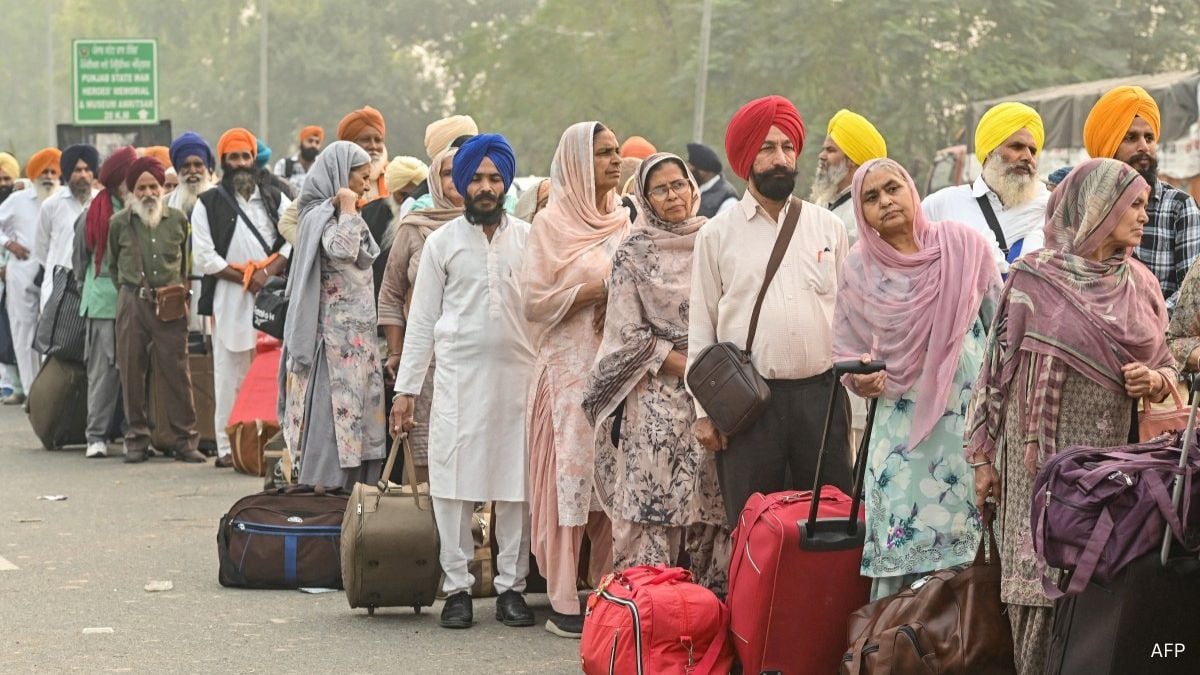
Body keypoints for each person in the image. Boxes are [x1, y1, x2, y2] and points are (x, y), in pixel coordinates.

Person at [966, 158, 1177, 673]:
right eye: (1134, 205)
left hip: (1111, 474)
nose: (1144, 216)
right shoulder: (1033, 278)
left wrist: (1154, 380)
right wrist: (982, 459)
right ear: (1098, 207)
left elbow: (1167, 365)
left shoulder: (1142, 285)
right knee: (1038, 608)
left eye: (1146, 206)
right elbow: (994, 373)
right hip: (1038, 473)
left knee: (1101, 609)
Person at [833, 158, 1001, 599]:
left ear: (911, 189)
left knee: (974, 555)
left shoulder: (964, 246)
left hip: (969, 434)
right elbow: (848, 353)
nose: (886, 201)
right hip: (902, 441)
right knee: (905, 551)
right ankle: (900, 650)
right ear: (860, 210)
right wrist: (861, 380)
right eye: (871, 197)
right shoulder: (859, 268)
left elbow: (1003, 329)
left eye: (893, 188)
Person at [688, 95, 854, 527]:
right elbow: (701, 326)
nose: (780, 158)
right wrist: (704, 413)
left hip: (822, 400)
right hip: (749, 406)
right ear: (745, 158)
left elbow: (848, 317)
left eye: (787, 147)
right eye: (766, 148)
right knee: (755, 527)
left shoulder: (829, 228)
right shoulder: (717, 235)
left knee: (830, 523)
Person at [392, 133, 536, 630]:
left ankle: (511, 588)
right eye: (476, 178)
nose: (485, 187)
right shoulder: (441, 242)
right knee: (452, 486)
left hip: (520, 381)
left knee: (516, 486)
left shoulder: (529, 239)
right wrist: (405, 390)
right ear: (459, 185)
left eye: (495, 178)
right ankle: (455, 589)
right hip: (457, 381)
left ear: (507, 183)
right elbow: (422, 320)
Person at [581, 153, 729, 593]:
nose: (673, 195)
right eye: (660, 189)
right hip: (656, 397)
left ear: (693, 186)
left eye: (679, 184)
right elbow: (629, 331)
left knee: (711, 509)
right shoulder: (634, 250)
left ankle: (707, 619)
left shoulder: (713, 239)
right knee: (652, 510)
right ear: (644, 198)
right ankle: (646, 618)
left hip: (715, 394)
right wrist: (691, 368)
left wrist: (709, 373)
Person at [522, 120, 629, 638]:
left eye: (616, 152)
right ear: (576, 163)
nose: (615, 160)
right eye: (602, 153)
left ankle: (607, 591)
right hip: (566, 374)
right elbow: (533, 301)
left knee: (612, 475)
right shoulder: (551, 224)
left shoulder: (625, 221)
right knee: (569, 478)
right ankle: (564, 598)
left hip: (613, 369)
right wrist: (593, 292)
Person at [280, 141, 386, 490]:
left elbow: (367, 253)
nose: (367, 185)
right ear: (341, 175)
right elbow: (342, 250)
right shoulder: (318, 215)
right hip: (331, 347)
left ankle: (354, 503)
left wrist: (349, 211)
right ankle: (322, 500)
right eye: (362, 177)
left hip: (357, 346)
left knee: (358, 425)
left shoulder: (343, 215)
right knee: (331, 427)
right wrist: (346, 207)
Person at [192, 127, 292, 469]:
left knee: (273, 373)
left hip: (272, 296)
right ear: (223, 162)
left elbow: (294, 237)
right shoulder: (208, 203)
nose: (240, 163)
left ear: (254, 160)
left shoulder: (276, 196)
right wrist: (246, 279)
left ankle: (276, 445)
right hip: (231, 296)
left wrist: (268, 273)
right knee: (229, 373)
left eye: (245, 157)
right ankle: (226, 446)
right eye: (233, 158)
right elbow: (205, 257)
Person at [108, 156, 205, 464]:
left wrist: (178, 295)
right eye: (141, 187)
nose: (148, 193)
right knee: (131, 370)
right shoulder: (119, 223)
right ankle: (136, 439)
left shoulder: (178, 220)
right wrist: (132, 295)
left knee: (177, 371)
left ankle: (185, 440)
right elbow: (112, 266)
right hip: (132, 302)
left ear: (162, 187)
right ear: (132, 191)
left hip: (171, 302)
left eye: (153, 186)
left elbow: (186, 263)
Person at [378, 147, 463, 483]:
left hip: (474, 358)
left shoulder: (492, 229)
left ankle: (476, 533)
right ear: (433, 181)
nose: (455, 179)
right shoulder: (414, 228)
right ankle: (430, 532)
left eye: (462, 171)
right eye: (446, 173)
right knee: (427, 450)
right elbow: (391, 293)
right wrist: (397, 352)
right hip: (425, 360)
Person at [1084, 85, 1200, 311]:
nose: (1144, 147)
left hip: (1158, 336)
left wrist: (1140, 324)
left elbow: (1191, 295)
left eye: (1149, 138)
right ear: (1108, 145)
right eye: (1131, 138)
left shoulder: (1178, 207)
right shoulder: (1085, 204)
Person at [923, 102, 1050, 274]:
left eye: (1033, 151)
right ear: (990, 152)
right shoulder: (943, 204)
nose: (1028, 157)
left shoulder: (1049, 208)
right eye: (1017, 147)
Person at [76, 146, 138, 458]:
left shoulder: (140, 207)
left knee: (134, 371)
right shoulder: (93, 214)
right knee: (103, 373)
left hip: (135, 302)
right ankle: (96, 437)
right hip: (101, 303)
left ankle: (134, 434)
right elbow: (80, 260)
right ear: (118, 180)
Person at [277, 107, 390, 246]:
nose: (373, 146)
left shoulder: (394, 179)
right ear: (349, 145)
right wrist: (318, 252)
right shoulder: (329, 181)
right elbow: (287, 222)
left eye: (378, 140)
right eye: (366, 139)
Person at [0, 147, 61, 402]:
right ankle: (30, 392)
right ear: (33, 175)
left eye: (52, 171)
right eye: (43, 171)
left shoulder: (64, 199)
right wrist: (7, 243)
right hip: (22, 272)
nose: (47, 176)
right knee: (23, 331)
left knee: (54, 332)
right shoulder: (18, 200)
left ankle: (52, 392)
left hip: (55, 273)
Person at [810, 109, 887, 244]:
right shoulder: (823, 202)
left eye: (830, 150)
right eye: (823, 149)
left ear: (852, 160)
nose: (821, 156)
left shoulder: (865, 212)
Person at [36, 144, 98, 309]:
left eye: (87, 169)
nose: (83, 175)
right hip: (58, 289)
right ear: (67, 172)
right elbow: (41, 249)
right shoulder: (51, 205)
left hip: (93, 288)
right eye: (77, 170)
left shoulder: (101, 202)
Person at [167, 132, 216, 218]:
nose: (193, 171)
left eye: (198, 165)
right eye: (186, 166)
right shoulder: (165, 204)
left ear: (206, 167)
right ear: (178, 170)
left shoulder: (221, 200)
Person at [687, 142, 738, 218]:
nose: (688, 171)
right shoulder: (695, 188)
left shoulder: (728, 200)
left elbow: (722, 229)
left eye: (691, 168)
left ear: (703, 172)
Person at [274, 125, 323, 194]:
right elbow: (276, 191)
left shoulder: (322, 167)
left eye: (317, 142)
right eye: (310, 141)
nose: (313, 145)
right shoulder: (284, 165)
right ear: (301, 143)